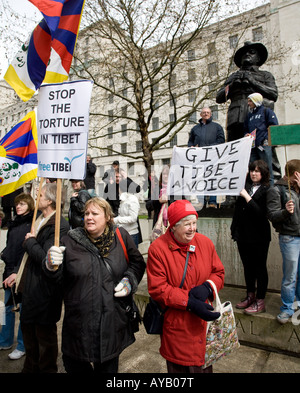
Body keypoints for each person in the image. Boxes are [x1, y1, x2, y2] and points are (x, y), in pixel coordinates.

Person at [45, 198, 146, 373]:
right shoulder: (69, 241)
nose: (89, 217)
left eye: (95, 213)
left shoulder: (121, 236)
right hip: (79, 326)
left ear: (107, 217)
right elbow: (56, 281)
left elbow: (137, 263)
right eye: (86, 213)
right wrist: (49, 265)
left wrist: (129, 281)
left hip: (111, 324)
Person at [147, 199, 225, 373]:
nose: (192, 228)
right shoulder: (158, 249)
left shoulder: (205, 243)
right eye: (186, 224)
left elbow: (218, 272)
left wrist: (208, 286)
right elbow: (158, 289)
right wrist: (189, 303)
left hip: (204, 328)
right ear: (173, 226)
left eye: (194, 223)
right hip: (177, 329)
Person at [15, 183, 69, 373]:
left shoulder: (59, 225)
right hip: (30, 288)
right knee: (30, 339)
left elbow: (48, 259)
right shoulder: (39, 218)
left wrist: (30, 242)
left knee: (45, 342)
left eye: (41, 193)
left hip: (44, 292)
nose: (36, 195)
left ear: (50, 200)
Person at [216, 41, 278, 142]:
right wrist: (231, 86)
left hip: (258, 119)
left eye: (252, 52)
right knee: (235, 152)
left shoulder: (265, 75)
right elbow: (219, 97)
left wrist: (253, 82)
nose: (247, 54)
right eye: (243, 54)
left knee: (262, 150)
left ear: (258, 58)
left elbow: (273, 94)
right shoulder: (233, 77)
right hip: (235, 119)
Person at [231, 160, 271, 314]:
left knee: (260, 268)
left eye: (257, 171)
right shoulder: (245, 187)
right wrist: (234, 229)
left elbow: (261, 214)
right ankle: (250, 295)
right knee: (247, 268)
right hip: (243, 236)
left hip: (259, 237)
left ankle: (260, 300)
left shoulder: (267, 190)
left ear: (263, 173)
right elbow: (238, 211)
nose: (254, 173)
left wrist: (247, 196)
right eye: (252, 170)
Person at [0, 193, 34, 360]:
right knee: (6, 308)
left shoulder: (32, 224)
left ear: (29, 205)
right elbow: (10, 246)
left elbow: (26, 251)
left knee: (22, 310)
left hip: (21, 273)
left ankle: (22, 345)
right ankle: (5, 340)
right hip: (8, 271)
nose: (18, 207)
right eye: (17, 204)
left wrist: (16, 271)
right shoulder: (13, 223)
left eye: (22, 204)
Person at [267, 159, 300, 324]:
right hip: (290, 237)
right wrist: (286, 212)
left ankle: (298, 304)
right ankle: (287, 308)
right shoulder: (277, 189)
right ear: (296, 174)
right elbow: (272, 215)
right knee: (291, 275)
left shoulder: (298, 189)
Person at [188, 107, 225, 208]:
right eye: (204, 112)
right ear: (200, 115)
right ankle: (201, 201)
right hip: (199, 158)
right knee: (200, 179)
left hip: (213, 157)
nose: (206, 114)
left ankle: (213, 201)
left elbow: (221, 140)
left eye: (208, 112)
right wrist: (191, 147)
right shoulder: (195, 129)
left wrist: (209, 147)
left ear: (211, 114)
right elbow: (190, 141)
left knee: (212, 178)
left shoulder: (217, 127)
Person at [244, 93, 278, 185]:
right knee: (253, 169)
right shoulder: (249, 115)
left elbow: (273, 126)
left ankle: (270, 191)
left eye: (250, 101)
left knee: (267, 170)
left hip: (264, 145)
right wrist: (246, 135)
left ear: (256, 100)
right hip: (253, 146)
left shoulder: (266, 111)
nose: (248, 103)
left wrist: (266, 139)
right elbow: (246, 129)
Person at [114, 179, 141, 247]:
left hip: (131, 235)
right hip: (123, 233)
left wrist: (117, 220)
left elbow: (133, 218)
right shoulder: (123, 200)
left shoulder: (132, 199)